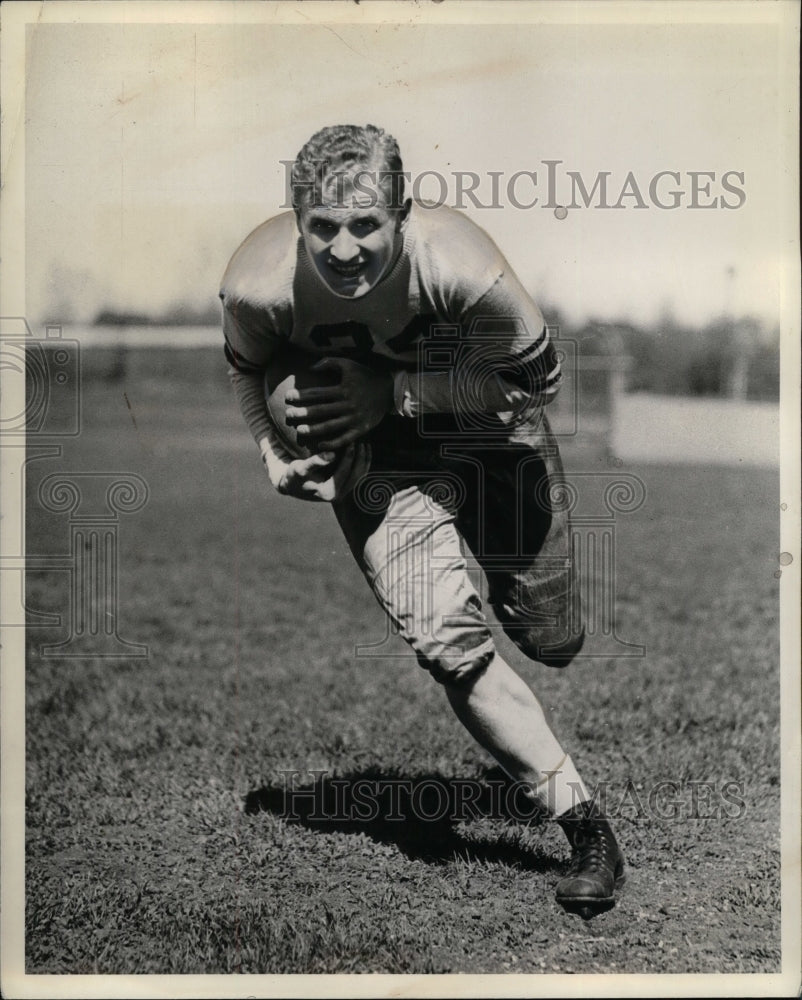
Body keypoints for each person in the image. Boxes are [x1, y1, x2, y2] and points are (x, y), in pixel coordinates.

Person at [220, 123, 624, 917]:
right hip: (376, 463)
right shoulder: (256, 283)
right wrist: (272, 450)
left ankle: (529, 610)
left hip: (489, 434)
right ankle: (585, 829)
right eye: (323, 227)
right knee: (450, 646)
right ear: (296, 216)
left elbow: (535, 382)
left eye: (366, 224)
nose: (343, 249)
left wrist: (397, 392)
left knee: (553, 637)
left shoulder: (463, 265)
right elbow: (244, 366)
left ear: (402, 213)